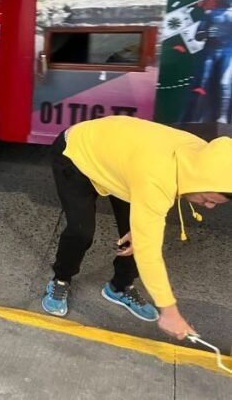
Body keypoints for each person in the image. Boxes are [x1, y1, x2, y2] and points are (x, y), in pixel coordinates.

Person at [41, 115, 232, 340]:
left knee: (141, 237)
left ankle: (119, 287)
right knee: (81, 231)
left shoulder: (205, 156)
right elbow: (149, 250)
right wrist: (169, 311)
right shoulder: (157, 176)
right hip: (78, 152)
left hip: (124, 164)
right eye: (208, 198)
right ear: (199, 180)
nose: (209, 206)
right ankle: (61, 279)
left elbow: (162, 198)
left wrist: (141, 230)